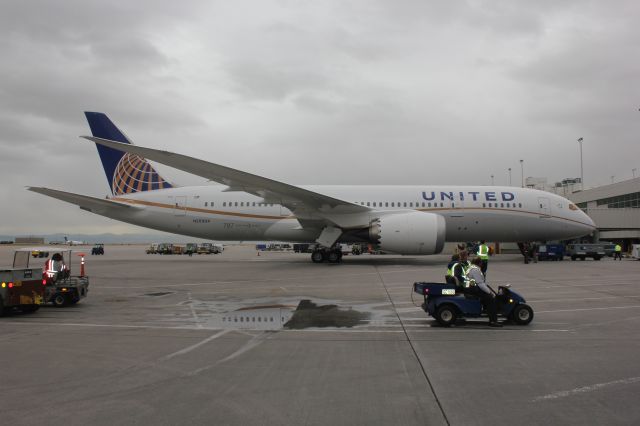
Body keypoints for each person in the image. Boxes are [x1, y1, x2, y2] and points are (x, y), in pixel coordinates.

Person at [466, 257, 502, 327]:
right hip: (474, 289)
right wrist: (490, 293)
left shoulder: (471, 268)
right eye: (481, 263)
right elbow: (480, 284)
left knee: (488, 292)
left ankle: (486, 309)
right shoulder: (476, 270)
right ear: (479, 263)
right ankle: (493, 321)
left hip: (470, 288)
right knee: (491, 299)